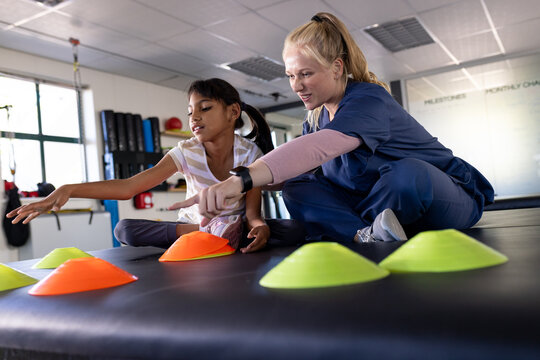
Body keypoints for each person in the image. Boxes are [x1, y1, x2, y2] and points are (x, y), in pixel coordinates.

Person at [169, 13, 494, 244]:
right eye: (291, 76)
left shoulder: (368, 100)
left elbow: (321, 147)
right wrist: (233, 189)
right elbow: (291, 170)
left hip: (444, 198)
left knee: (406, 175)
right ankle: (364, 236)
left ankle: (361, 227)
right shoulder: (317, 118)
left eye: (306, 74)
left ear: (337, 67)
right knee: (297, 187)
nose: (297, 85)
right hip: (381, 209)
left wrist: (241, 179)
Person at [7, 78, 286, 253]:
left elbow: (253, 211)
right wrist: (69, 189)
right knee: (124, 230)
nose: (194, 118)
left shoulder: (250, 154)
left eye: (205, 108)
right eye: (190, 112)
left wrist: (258, 227)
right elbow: (129, 187)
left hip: (237, 224)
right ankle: (213, 233)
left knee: (293, 229)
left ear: (233, 112)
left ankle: (228, 232)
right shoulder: (186, 152)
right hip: (192, 231)